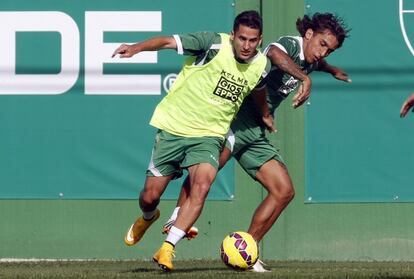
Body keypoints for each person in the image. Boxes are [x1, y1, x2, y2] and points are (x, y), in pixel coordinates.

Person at [162, 12, 351, 272]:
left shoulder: (312, 59)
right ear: (308, 35)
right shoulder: (292, 45)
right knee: (206, 172)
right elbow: (274, 53)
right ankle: (175, 219)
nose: (324, 53)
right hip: (235, 121)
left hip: (256, 132)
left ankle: (247, 250)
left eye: (330, 50)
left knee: (284, 191)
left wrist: (331, 70)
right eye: (322, 45)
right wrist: (305, 79)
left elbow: (315, 64)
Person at [112, 11, 275, 272]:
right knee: (150, 196)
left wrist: (265, 113)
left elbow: (258, 88)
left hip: (209, 136)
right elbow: (167, 42)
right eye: (241, 38)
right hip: (174, 128)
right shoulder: (211, 43)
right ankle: (148, 216)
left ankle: (167, 249)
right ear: (233, 35)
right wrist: (136, 48)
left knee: (202, 185)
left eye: (252, 40)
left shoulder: (261, 65)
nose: (246, 45)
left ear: (260, 39)